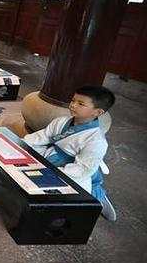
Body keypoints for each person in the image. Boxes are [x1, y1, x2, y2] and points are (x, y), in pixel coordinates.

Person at [23, 86, 117, 221]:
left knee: (70, 200)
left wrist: (54, 173)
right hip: (52, 155)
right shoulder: (62, 121)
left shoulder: (96, 141)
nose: (73, 105)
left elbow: (83, 169)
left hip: (73, 168)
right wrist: (22, 143)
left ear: (97, 112)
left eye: (81, 104)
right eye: (73, 100)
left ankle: (99, 198)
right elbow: (44, 136)